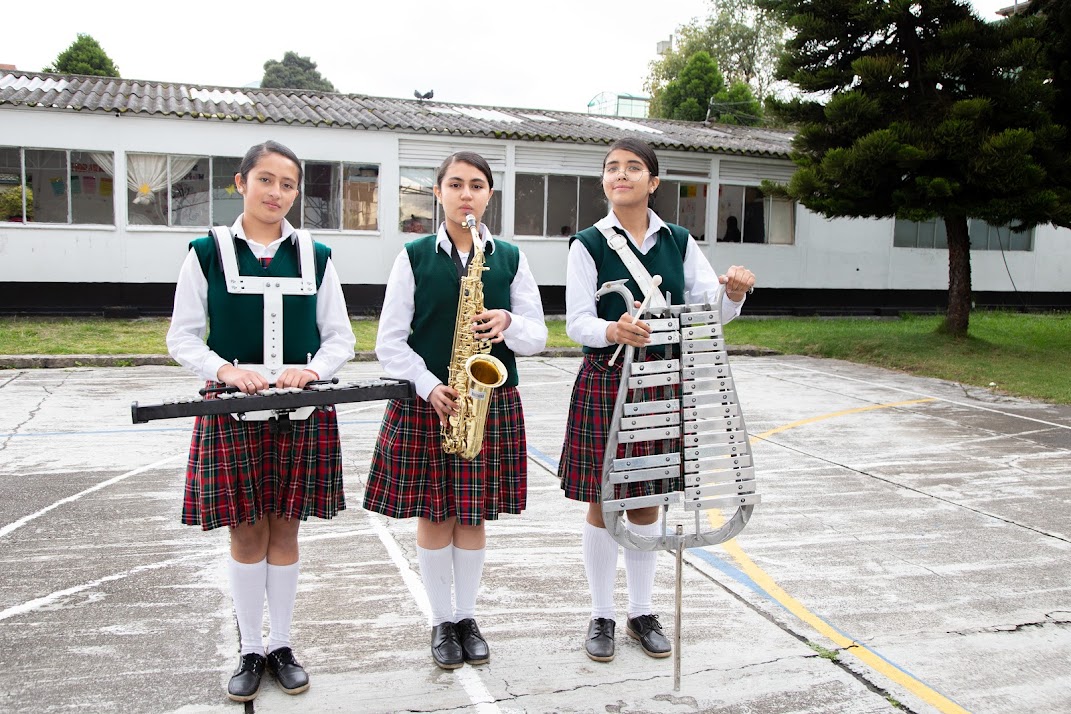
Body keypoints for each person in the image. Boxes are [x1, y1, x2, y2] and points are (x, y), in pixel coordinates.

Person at [166, 140, 356, 702]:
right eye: (266, 180)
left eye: (289, 184)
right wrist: (223, 369)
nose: (277, 193)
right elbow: (181, 336)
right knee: (247, 532)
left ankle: (283, 644)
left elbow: (340, 337)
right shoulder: (206, 251)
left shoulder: (317, 255)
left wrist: (312, 371)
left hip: (299, 412)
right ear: (241, 182)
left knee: (286, 529)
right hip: (231, 410)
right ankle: (250, 648)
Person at [558, 137, 755, 663]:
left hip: (664, 382)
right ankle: (601, 613)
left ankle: (642, 611)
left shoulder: (680, 240)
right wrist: (611, 329)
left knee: (647, 500)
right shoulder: (587, 243)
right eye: (611, 168)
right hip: (606, 380)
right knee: (604, 503)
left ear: (654, 182)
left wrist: (732, 292)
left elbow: (708, 309)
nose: (620, 175)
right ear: (605, 181)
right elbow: (576, 320)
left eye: (632, 167)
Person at [364, 151, 547, 670]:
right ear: (439, 193)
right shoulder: (415, 255)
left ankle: (467, 616)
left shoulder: (509, 256)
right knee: (434, 514)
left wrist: (508, 320)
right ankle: (441, 620)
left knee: (471, 517)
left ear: (489, 195)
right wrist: (426, 385)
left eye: (477, 185)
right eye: (456, 185)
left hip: (489, 403)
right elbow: (390, 343)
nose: (466, 194)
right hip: (433, 402)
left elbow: (537, 336)